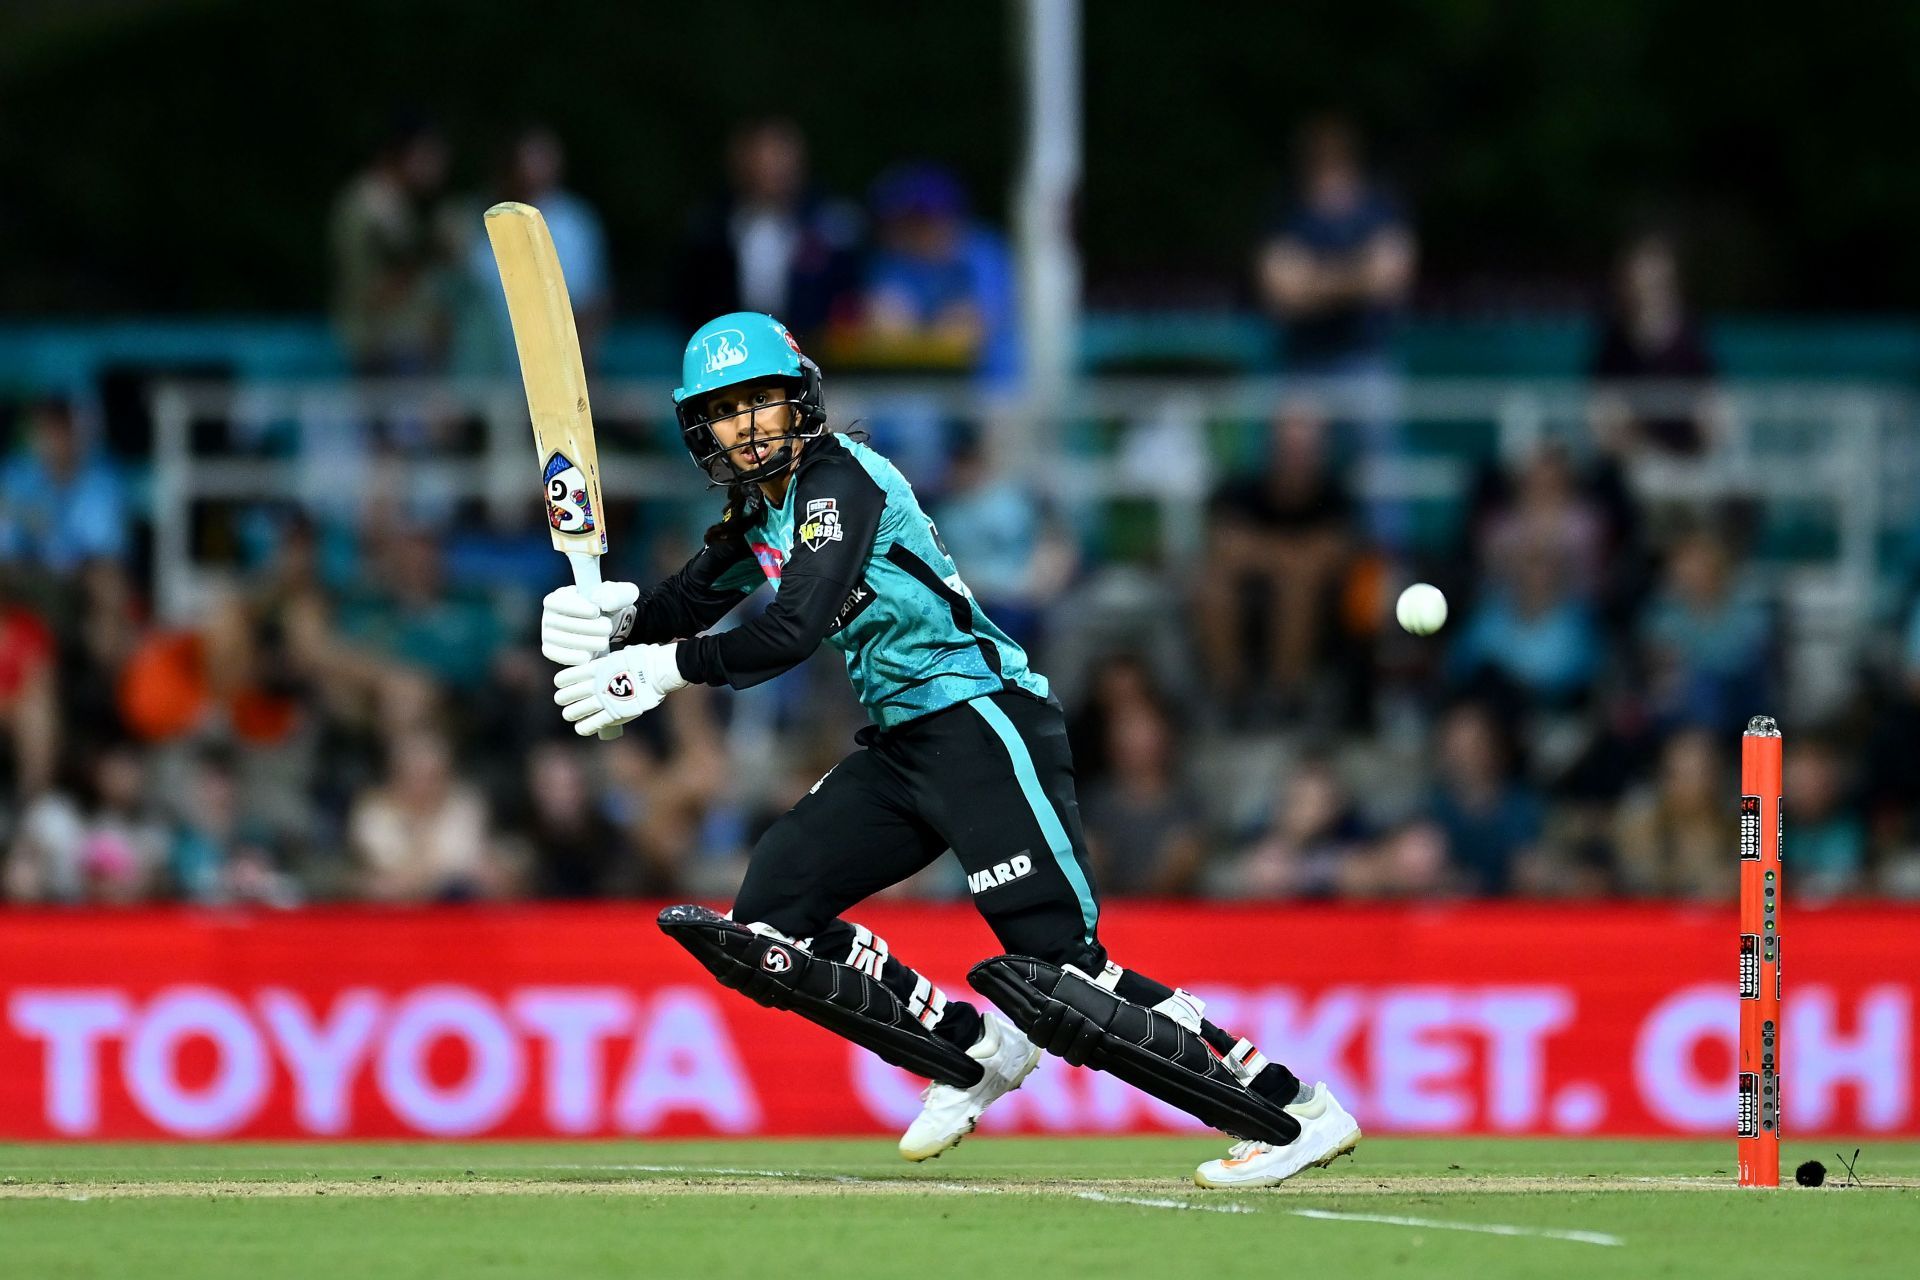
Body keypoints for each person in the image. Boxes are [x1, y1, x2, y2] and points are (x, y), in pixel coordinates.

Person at [536, 312, 1358, 1187]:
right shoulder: (760, 513)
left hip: (983, 724)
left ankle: (1292, 1109)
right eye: (725, 412)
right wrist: (616, 619)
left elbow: (792, 628)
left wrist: (656, 670)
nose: (746, 427)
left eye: (760, 402)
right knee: (770, 916)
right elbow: (683, 604)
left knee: (1058, 972)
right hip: (901, 748)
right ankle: (969, 1051)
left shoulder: (837, 481)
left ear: (798, 400)